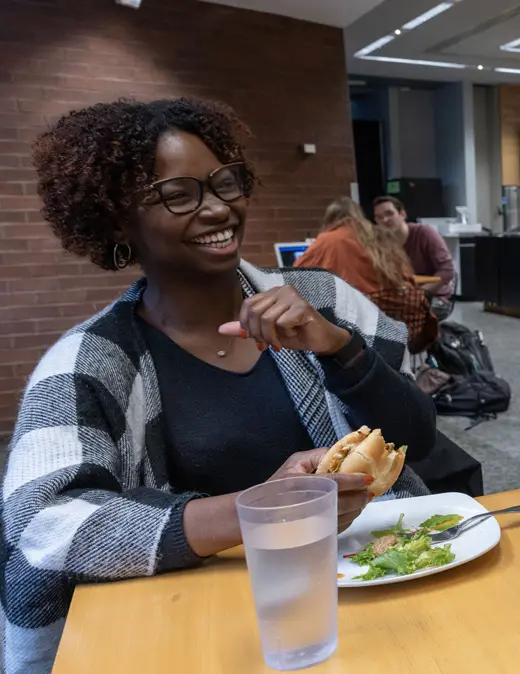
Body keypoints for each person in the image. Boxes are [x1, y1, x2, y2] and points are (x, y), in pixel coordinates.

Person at [5, 98, 439, 672]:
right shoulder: (89, 363)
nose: (218, 210)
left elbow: (417, 440)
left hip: (362, 604)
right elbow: (41, 523)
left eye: (224, 184)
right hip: (195, 630)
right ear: (116, 220)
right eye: (179, 195)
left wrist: (338, 347)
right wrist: (261, 510)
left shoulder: (325, 301)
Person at [297, 198, 438, 352]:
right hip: (402, 327)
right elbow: (407, 278)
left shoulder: (325, 241)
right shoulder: (380, 236)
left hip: (356, 332)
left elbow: (296, 280)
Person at [373, 196, 456, 304]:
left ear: (402, 214)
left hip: (433, 296)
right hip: (400, 297)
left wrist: (419, 293)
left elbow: (447, 271)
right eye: (379, 217)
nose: (385, 220)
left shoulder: (424, 233)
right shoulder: (379, 242)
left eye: (389, 214)